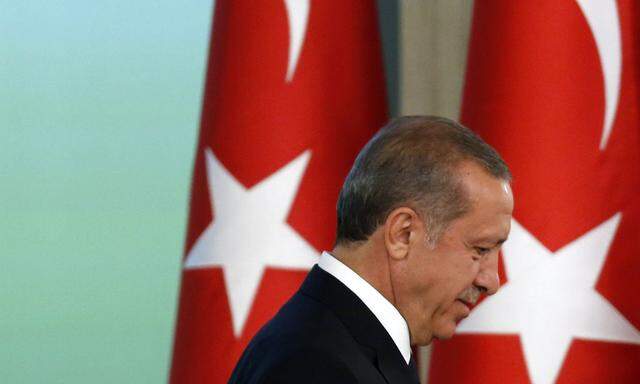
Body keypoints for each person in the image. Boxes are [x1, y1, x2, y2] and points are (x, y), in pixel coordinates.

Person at [228, 116, 514, 383]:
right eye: (481, 249)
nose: (491, 282)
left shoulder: (345, 344)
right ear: (403, 234)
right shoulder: (315, 367)